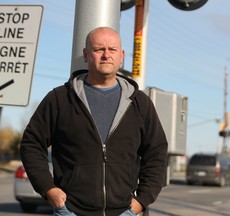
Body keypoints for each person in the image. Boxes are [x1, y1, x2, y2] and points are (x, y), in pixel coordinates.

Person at [20, 27, 168, 216]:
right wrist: (49, 190)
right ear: (86, 55)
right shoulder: (60, 98)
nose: (106, 55)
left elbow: (156, 153)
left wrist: (142, 200)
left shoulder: (139, 103)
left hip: (127, 212)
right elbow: (31, 144)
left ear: (121, 55)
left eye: (112, 49)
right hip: (72, 211)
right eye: (99, 49)